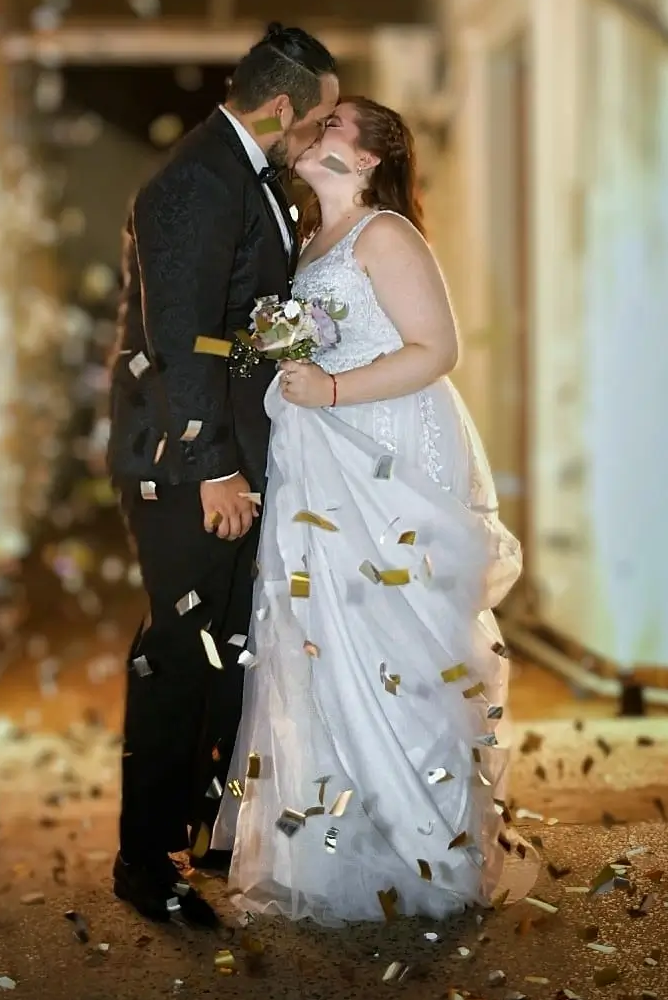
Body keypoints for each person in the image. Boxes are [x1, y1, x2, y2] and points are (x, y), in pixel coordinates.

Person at [212, 97, 537, 925]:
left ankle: (428, 844)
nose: (317, 128)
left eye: (335, 124)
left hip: (386, 451)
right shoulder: (308, 236)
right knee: (322, 636)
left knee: (395, 632)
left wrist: (331, 388)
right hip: (319, 458)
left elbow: (437, 349)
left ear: (365, 159)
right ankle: (336, 851)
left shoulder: (384, 234)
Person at [107, 24, 339, 927]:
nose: (314, 138)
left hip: (233, 456)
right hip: (184, 466)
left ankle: (205, 829)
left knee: (232, 650)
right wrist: (213, 471)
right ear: (280, 107)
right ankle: (143, 859)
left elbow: (231, 322)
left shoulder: (245, 176)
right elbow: (179, 337)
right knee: (180, 652)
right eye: (313, 120)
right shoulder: (196, 181)